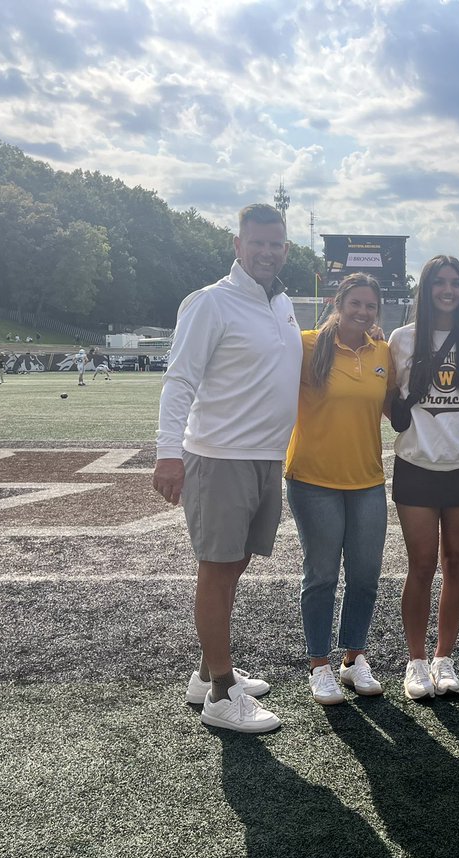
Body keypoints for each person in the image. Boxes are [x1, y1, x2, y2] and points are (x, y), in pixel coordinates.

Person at [153, 203, 303, 733]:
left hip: (265, 458)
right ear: (238, 245)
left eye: (275, 244)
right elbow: (180, 380)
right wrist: (169, 452)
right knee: (218, 570)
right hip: (220, 457)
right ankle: (220, 694)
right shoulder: (210, 303)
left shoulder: (282, 302)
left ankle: (206, 672)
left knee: (236, 565)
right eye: (256, 242)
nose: (266, 252)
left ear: (285, 249)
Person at [389, 255, 459, 701]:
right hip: (416, 466)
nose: (447, 290)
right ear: (426, 288)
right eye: (439, 282)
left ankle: (443, 658)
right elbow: (387, 399)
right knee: (420, 566)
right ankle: (415, 661)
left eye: (455, 282)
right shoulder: (401, 339)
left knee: (456, 563)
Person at [285, 273, 392, 706]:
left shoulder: (383, 351)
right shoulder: (307, 344)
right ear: (338, 303)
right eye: (356, 304)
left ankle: (353, 658)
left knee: (365, 575)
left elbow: (395, 406)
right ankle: (319, 665)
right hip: (313, 479)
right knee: (322, 575)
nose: (362, 312)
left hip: (367, 479)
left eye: (370, 306)